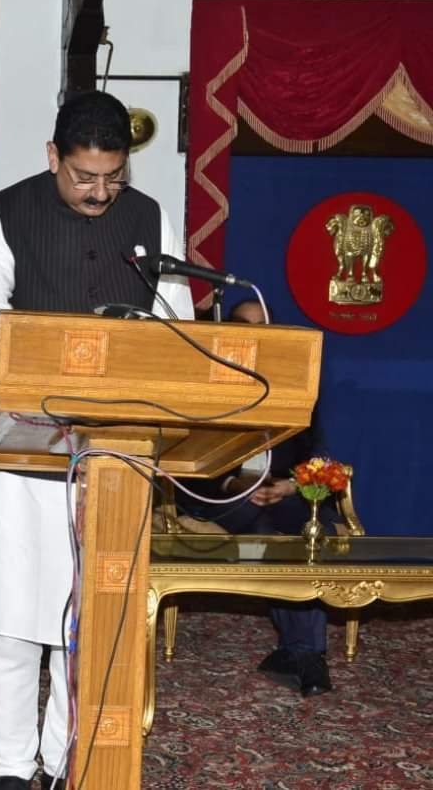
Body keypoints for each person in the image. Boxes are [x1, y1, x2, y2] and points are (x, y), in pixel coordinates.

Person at [0, 91, 194, 790]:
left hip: (113, 452)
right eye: (85, 176)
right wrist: (30, 366)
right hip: (22, 445)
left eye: (113, 177)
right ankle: (10, 764)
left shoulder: (149, 216)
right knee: (11, 616)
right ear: (53, 156)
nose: (100, 192)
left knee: (86, 619)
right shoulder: (5, 211)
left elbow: (173, 313)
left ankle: (65, 760)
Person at [175, 298, 336, 697]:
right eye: (245, 324)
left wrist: (291, 486)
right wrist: (234, 485)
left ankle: (301, 651)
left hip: (279, 492)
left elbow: (311, 457)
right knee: (266, 530)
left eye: (263, 324)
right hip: (224, 495)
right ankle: (305, 653)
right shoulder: (205, 385)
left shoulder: (294, 390)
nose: (255, 332)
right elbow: (187, 469)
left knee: (314, 531)